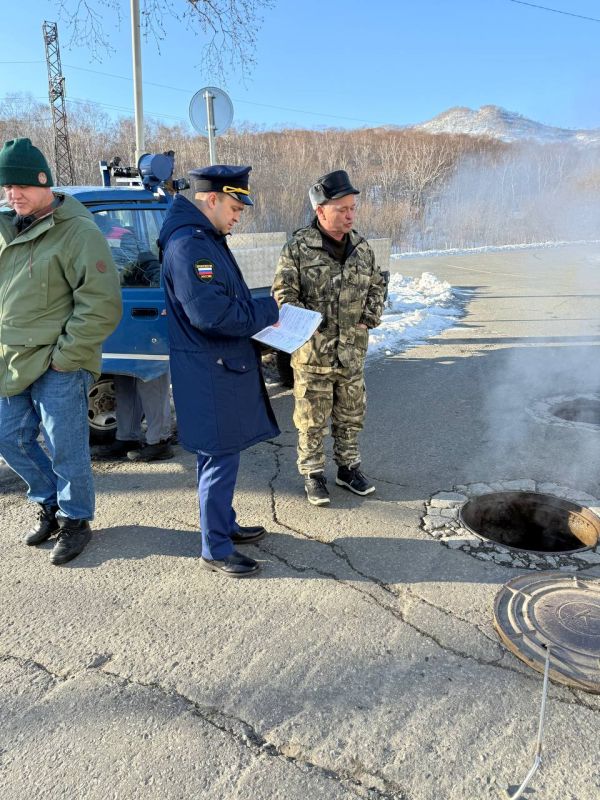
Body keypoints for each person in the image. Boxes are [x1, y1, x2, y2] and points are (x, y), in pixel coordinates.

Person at [0, 138, 122, 564]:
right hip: (11, 357)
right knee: (9, 436)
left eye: (20, 186)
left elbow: (101, 303)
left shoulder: (77, 231)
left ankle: (75, 519)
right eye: (5, 187)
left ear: (44, 183)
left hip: (59, 361)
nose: (12, 194)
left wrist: (66, 356)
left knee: (65, 443)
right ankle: (50, 503)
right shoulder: (5, 226)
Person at [158, 165, 280, 577]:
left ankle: (223, 525)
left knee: (220, 457)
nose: (238, 215)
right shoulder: (189, 246)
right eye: (233, 206)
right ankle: (216, 548)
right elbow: (212, 314)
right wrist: (269, 311)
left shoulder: (205, 238)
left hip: (218, 366)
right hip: (211, 371)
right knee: (218, 460)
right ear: (211, 199)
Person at [272, 169, 387, 506]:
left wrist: (369, 318)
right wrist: (312, 327)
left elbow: (377, 284)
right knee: (311, 419)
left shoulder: (362, 249)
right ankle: (313, 473)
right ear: (321, 210)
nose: (350, 214)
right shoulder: (298, 248)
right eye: (342, 209)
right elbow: (284, 295)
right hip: (313, 356)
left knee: (351, 415)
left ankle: (348, 468)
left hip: (352, 353)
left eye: (352, 208)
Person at [92, 213, 173, 462]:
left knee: (151, 380)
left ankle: (159, 440)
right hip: (118, 314)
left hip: (140, 316)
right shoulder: (96, 232)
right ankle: (127, 436)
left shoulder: (122, 237)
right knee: (124, 380)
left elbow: (150, 268)